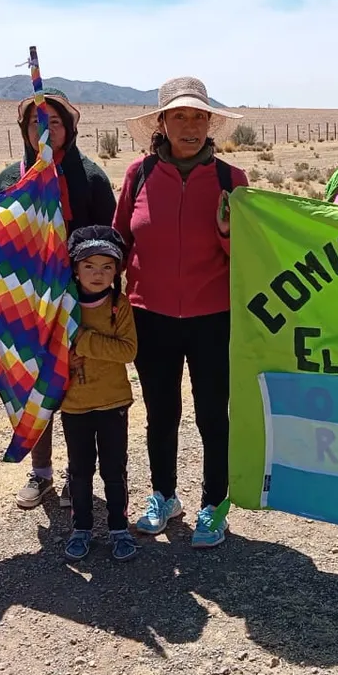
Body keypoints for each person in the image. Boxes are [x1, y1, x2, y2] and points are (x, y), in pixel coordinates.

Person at [117, 77, 249, 548]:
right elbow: (120, 241)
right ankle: (164, 495)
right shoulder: (139, 174)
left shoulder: (231, 180)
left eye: (198, 116)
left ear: (210, 123)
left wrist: (228, 233)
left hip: (214, 316)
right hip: (149, 316)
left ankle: (214, 504)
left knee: (214, 414)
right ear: (162, 123)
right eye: (180, 116)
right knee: (161, 413)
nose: (190, 126)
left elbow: (249, 257)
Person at [0, 88, 117, 511]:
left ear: (71, 127)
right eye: (35, 122)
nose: (45, 129)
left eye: (56, 121)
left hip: (80, 300)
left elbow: (111, 240)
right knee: (36, 385)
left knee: (76, 383)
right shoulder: (11, 178)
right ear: (25, 130)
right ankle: (40, 472)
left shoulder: (92, 177)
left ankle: (75, 473)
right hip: (26, 301)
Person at [59, 226, 139, 562]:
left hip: (113, 401)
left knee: (113, 467)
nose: (98, 274)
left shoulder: (119, 306)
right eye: (89, 265)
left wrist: (83, 341)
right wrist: (66, 353)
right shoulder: (60, 306)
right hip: (74, 404)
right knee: (79, 469)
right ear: (75, 269)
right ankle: (82, 528)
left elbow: (128, 351)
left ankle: (120, 528)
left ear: (117, 271)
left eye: (107, 267)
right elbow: (47, 348)